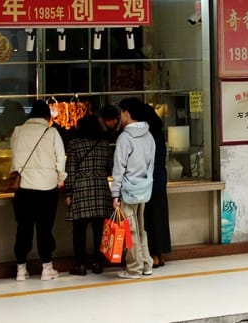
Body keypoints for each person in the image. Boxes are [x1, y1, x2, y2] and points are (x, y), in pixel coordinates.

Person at [9, 100, 66, 281]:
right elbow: (60, 160)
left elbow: (14, 156)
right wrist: (60, 180)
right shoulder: (52, 132)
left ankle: (21, 268)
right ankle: (46, 268)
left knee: (23, 228)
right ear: (47, 116)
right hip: (47, 188)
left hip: (24, 188)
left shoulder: (18, 131)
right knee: (44, 229)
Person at [121, 96, 171, 266]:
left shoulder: (146, 135)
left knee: (147, 220)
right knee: (159, 217)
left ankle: (152, 256)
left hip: (146, 181)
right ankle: (160, 254)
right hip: (160, 179)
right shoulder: (159, 134)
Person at [64, 114, 115, 275]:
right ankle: (98, 263)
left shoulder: (74, 145)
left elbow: (70, 170)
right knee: (99, 229)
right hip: (100, 189)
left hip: (80, 189)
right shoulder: (104, 145)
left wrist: (68, 192)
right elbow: (111, 168)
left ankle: (80, 264)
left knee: (79, 230)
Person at [111, 99, 156, 279]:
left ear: (127, 113)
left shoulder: (125, 138)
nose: (120, 116)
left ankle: (134, 268)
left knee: (131, 230)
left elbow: (119, 168)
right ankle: (146, 264)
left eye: (121, 112)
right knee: (140, 227)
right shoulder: (149, 136)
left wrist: (115, 193)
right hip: (143, 189)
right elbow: (151, 163)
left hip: (128, 190)